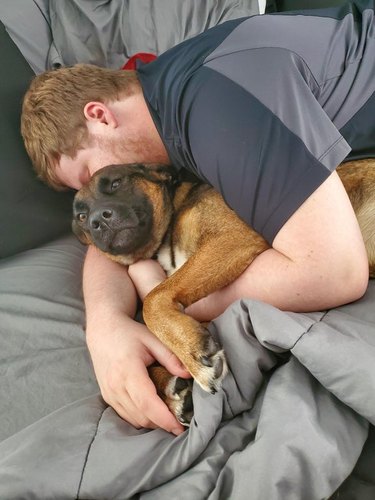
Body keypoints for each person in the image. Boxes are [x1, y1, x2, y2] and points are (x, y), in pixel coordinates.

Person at [21, 1, 374, 435]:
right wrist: (105, 325)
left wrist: (175, 300)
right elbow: (115, 230)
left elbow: (334, 271)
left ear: (100, 115)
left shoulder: (216, 109)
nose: (97, 204)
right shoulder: (163, 110)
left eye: (93, 177)